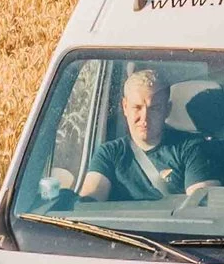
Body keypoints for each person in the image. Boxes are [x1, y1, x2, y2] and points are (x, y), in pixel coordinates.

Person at [77, 68, 214, 201]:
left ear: (167, 110)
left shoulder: (192, 148)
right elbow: (89, 202)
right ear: (125, 107)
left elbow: (201, 205)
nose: (145, 118)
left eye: (154, 109)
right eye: (137, 107)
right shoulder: (109, 153)